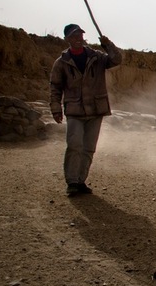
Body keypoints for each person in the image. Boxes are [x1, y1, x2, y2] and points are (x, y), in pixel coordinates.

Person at [50, 24, 123, 196]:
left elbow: (116, 60)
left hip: (96, 110)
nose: (78, 39)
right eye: (74, 36)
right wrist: (55, 108)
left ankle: (81, 181)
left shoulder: (97, 57)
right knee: (74, 145)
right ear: (67, 39)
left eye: (80, 35)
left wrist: (108, 44)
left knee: (89, 148)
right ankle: (72, 182)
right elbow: (55, 87)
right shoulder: (61, 63)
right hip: (75, 110)